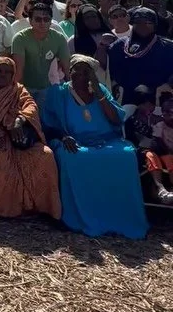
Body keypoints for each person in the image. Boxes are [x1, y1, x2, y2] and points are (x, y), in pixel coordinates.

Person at [43, 55, 148, 239]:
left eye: (87, 73)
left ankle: (119, 217)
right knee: (74, 156)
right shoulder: (58, 93)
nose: (81, 76)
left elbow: (116, 119)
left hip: (107, 140)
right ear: (69, 72)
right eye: (77, 72)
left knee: (125, 154)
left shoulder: (101, 91)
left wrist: (98, 91)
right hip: (72, 140)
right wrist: (63, 136)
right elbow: (49, 124)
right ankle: (78, 217)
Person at [0, 57, 61, 222]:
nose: (3, 75)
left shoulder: (19, 91)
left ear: (13, 74)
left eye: (7, 72)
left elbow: (31, 106)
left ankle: (42, 208)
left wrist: (19, 120)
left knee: (46, 155)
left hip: (20, 137)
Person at [108, 7, 173, 104]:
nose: (143, 26)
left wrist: (169, 84)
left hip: (159, 100)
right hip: (125, 100)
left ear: (155, 25)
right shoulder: (119, 45)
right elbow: (107, 69)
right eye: (138, 22)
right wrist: (102, 46)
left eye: (148, 23)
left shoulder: (168, 46)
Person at [11, 0, 70, 107]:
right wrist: (17, 95)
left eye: (46, 19)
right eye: (38, 19)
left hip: (48, 87)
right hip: (24, 88)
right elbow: (19, 70)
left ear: (51, 21)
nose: (42, 23)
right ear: (30, 21)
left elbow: (67, 68)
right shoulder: (20, 38)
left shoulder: (59, 38)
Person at [123, 86, 173, 205]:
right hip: (145, 151)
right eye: (148, 104)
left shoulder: (156, 119)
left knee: (169, 159)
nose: (152, 107)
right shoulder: (133, 120)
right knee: (151, 156)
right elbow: (147, 139)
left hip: (163, 152)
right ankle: (161, 189)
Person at [68, 5, 113, 74]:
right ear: (81, 21)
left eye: (94, 16)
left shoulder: (110, 35)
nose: (92, 20)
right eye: (87, 18)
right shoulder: (73, 41)